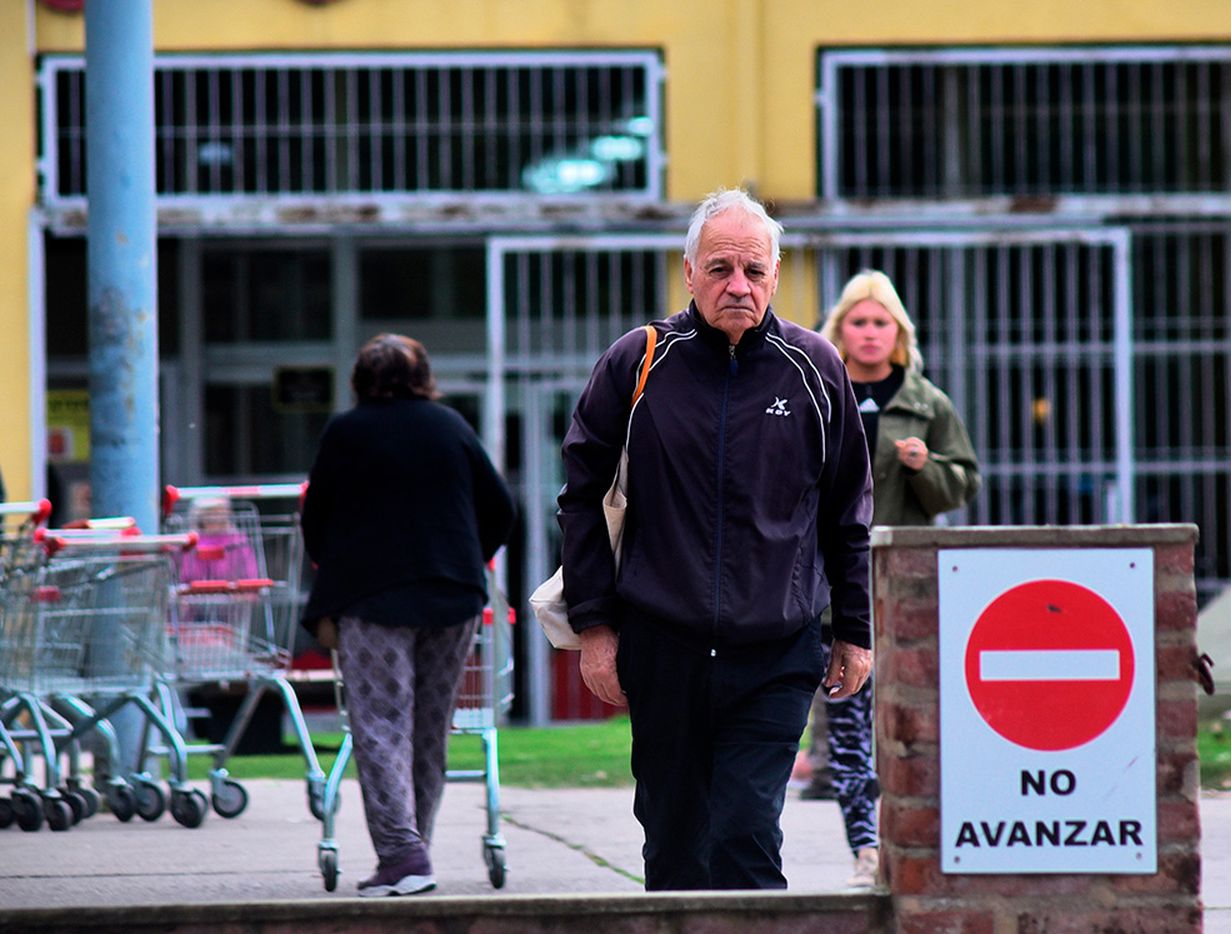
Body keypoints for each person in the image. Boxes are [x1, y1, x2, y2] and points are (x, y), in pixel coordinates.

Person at [558, 188, 874, 891]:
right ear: (689, 272)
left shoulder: (817, 369)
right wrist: (596, 629)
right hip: (662, 645)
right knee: (674, 844)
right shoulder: (637, 364)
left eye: (754, 271)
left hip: (777, 648)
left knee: (745, 832)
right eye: (722, 268)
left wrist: (854, 629)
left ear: (776, 275)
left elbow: (848, 510)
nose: (739, 286)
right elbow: (580, 500)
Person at [300, 333, 515, 898]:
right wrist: (466, 555)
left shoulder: (346, 432)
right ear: (423, 376)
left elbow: (315, 516)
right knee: (428, 729)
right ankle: (414, 847)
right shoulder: (449, 427)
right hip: (454, 596)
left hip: (374, 601)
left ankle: (401, 854)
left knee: (379, 725)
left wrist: (337, 564)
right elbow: (500, 508)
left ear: (359, 379)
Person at [813, 269, 981, 887]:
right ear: (841, 331)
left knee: (913, 724)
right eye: (858, 321)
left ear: (899, 333)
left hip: (905, 589)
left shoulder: (926, 402)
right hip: (832, 592)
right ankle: (865, 850)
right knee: (849, 732)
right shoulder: (817, 389)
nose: (869, 333)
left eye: (880, 322)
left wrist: (924, 465)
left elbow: (962, 483)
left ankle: (913, 845)